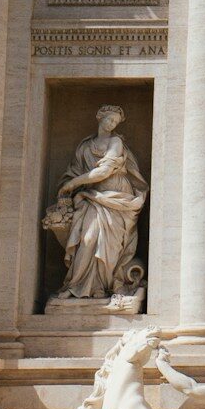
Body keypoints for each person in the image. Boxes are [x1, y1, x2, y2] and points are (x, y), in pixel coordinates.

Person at [44, 105, 148, 299]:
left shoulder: (116, 142)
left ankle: (102, 286)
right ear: (100, 117)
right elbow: (73, 171)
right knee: (88, 239)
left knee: (108, 244)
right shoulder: (85, 147)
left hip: (117, 200)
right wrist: (69, 184)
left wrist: (74, 183)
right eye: (109, 119)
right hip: (91, 197)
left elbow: (103, 172)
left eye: (115, 122)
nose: (111, 124)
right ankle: (77, 285)